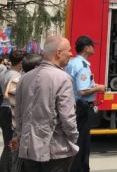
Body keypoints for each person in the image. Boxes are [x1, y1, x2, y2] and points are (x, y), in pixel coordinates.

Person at [13, 36, 78, 172]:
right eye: (69, 50)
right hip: (55, 149)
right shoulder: (63, 78)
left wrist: (20, 136)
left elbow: (18, 114)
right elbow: (67, 117)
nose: (71, 54)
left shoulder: (24, 78)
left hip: (29, 148)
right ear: (59, 53)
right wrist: (73, 137)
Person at [65, 36, 106, 172]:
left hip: (74, 105)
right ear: (87, 48)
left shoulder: (72, 62)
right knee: (82, 142)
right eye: (92, 46)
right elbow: (82, 91)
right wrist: (99, 88)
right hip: (82, 107)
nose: (94, 48)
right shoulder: (82, 66)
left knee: (74, 140)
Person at [4, 53, 42, 172]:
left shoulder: (16, 80)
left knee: (17, 163)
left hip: (19, 129)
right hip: (26, 131)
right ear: (36, 68)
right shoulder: (26, 83)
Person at [0, 50, 26, 171]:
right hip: (10, 109)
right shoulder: (16, 76)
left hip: (4, 109)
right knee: (11, 144)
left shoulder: (5, 72)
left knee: (8, 143)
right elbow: (9, 95)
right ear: (21, 62)